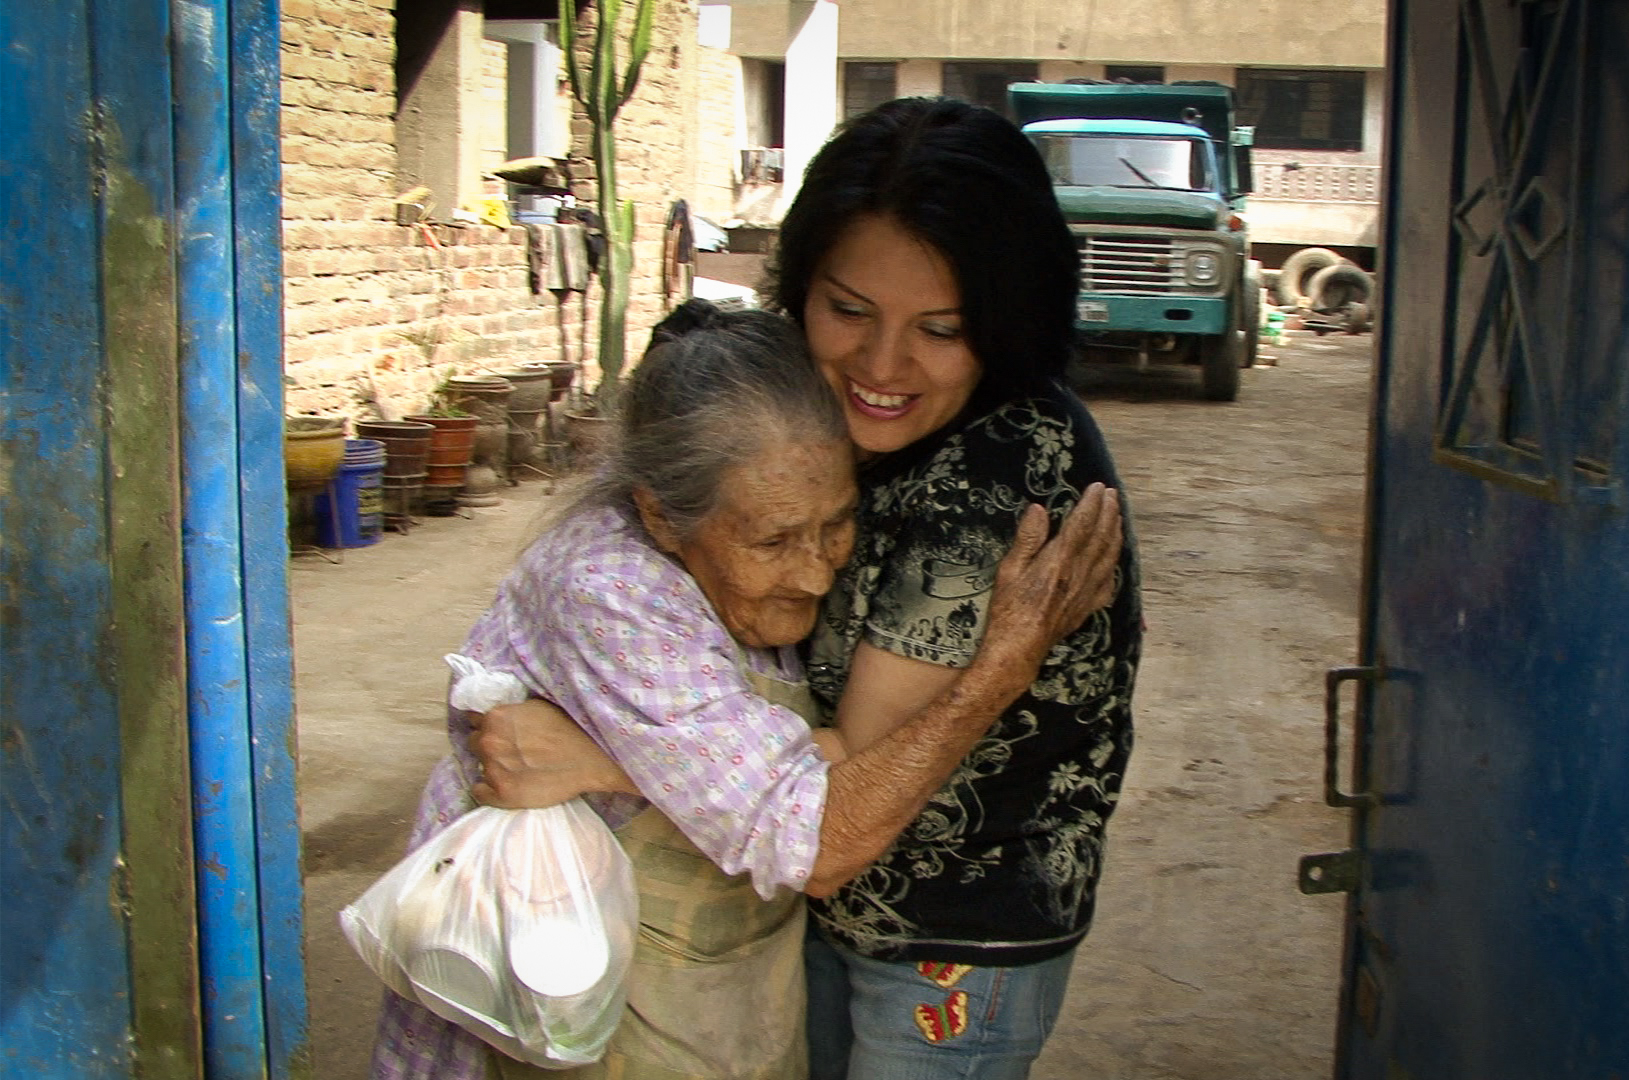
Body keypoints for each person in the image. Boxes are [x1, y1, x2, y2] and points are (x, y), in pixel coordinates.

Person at [477, 97, 1146, 1080]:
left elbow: (822, 805)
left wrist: (597, 758)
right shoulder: (845, 416)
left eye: (942, 327)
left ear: (1006, 319)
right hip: (829, 915)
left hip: (940, 946)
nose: (881, 365)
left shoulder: (999, 477)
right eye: (847, 311)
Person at [367, 302, 1122, 1080]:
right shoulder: (607, 587)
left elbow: (817, 762)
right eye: (772, 542)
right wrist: (1001, 669)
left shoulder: (767, 547)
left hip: (715, 981)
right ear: (661, 517)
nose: (817, 571)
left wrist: (605, 764)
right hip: (567, 977)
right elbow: (811, 838)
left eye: (836, 525)